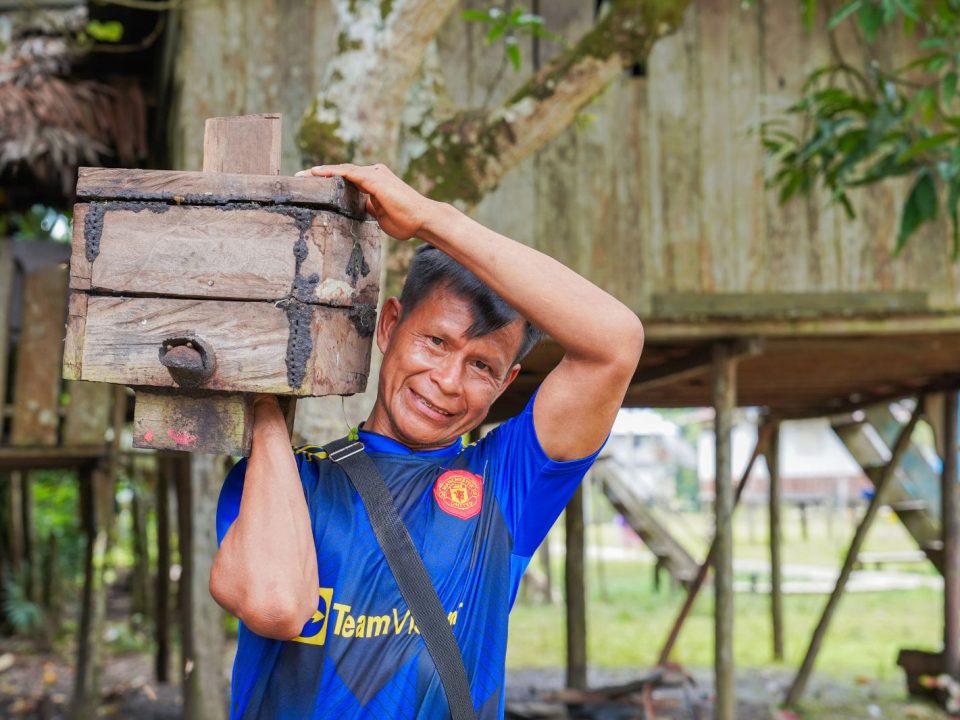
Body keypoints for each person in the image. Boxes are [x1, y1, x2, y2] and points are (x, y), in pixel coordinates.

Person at [210, 163, 644, 719]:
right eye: (436, 341)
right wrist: (267, 403)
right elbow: (274, 607)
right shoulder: (288, 482)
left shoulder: (507, 486)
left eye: (481, 366)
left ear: (506, 383)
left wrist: (431, 219)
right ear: (389, 326)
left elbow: (616, 341)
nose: (447, 380)